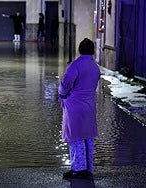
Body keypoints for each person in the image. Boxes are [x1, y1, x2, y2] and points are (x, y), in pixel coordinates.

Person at [58, 38, 100, 179]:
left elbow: (65, 83)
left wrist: (62, 94)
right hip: (89, 105)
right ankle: (87, 168)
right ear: (93, 50)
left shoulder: (75, 65)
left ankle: (78, 169)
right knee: (87, 137)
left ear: (80, 50)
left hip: (74, 105)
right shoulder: (95, 67)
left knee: (75, 137)